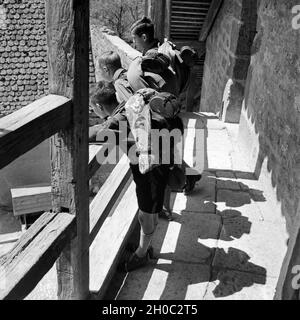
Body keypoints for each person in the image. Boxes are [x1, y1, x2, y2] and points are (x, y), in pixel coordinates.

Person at [89, 81, 173, 272]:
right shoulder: (130, 104)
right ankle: (146, 243)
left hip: (151, 169)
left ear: (99, 106)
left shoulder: (118, 120)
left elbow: (95, 133)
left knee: (146, 214)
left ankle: (142, 254)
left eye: (92, 108)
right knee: (151, 208)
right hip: (160, 159)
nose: (94, 112)